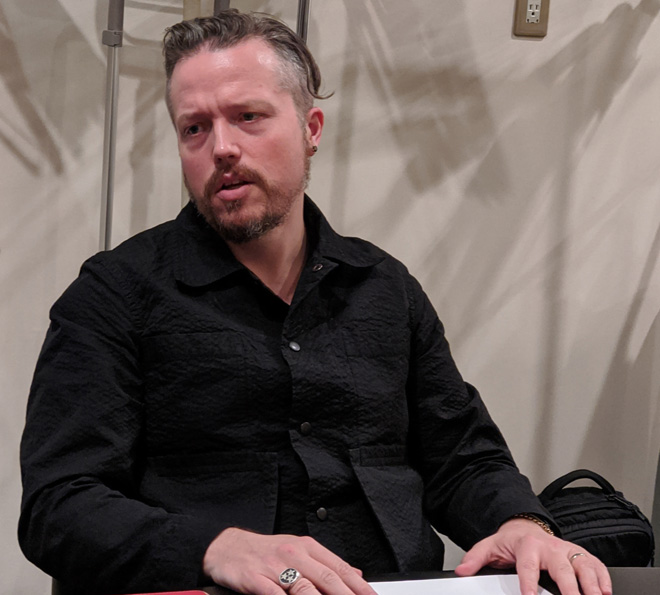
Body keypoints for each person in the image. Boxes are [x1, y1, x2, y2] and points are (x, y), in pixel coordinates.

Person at [19, 10, 611, 595]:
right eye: (194, 128)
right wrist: (213, 548)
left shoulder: (385, 287)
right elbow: (58, 506)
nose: (221, 147)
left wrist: (521, 523)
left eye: (248, 117)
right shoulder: (113, 294)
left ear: (311, 129)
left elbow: (462, 457)